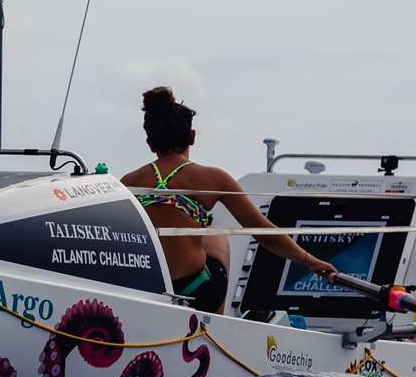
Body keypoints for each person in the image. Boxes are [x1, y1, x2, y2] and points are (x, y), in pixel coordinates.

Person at [122, 86, 337, 314]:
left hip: (146, 289)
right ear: (192, 136)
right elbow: (264, 233)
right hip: (195, 290)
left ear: (150, 143)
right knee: (216, 236)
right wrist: (309, 260)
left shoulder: (127, 182)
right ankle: (216, 323)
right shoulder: (213, 178)